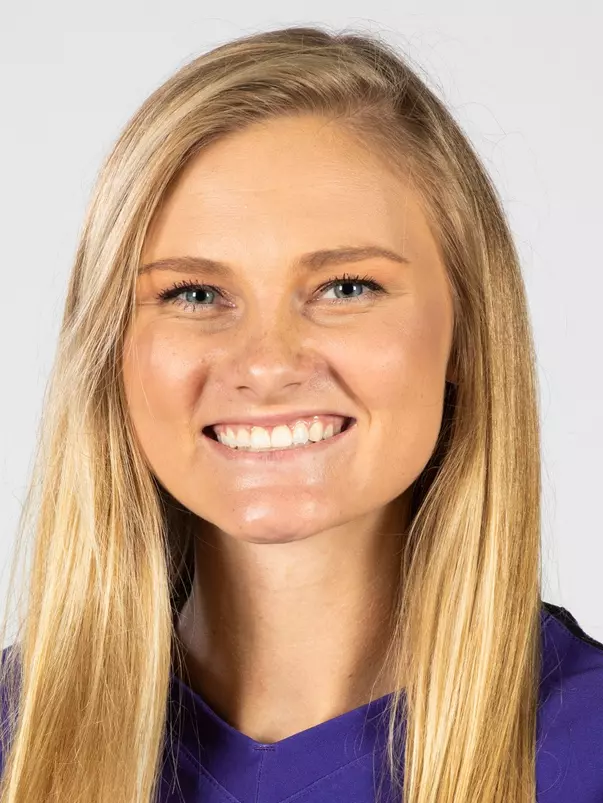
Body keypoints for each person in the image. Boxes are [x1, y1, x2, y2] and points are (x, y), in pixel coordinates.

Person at [0, 24, 601, 803]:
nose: (266, 363)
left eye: (346, 286)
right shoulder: (19, 740)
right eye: (193, 292)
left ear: (466, 331)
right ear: (112, 345)